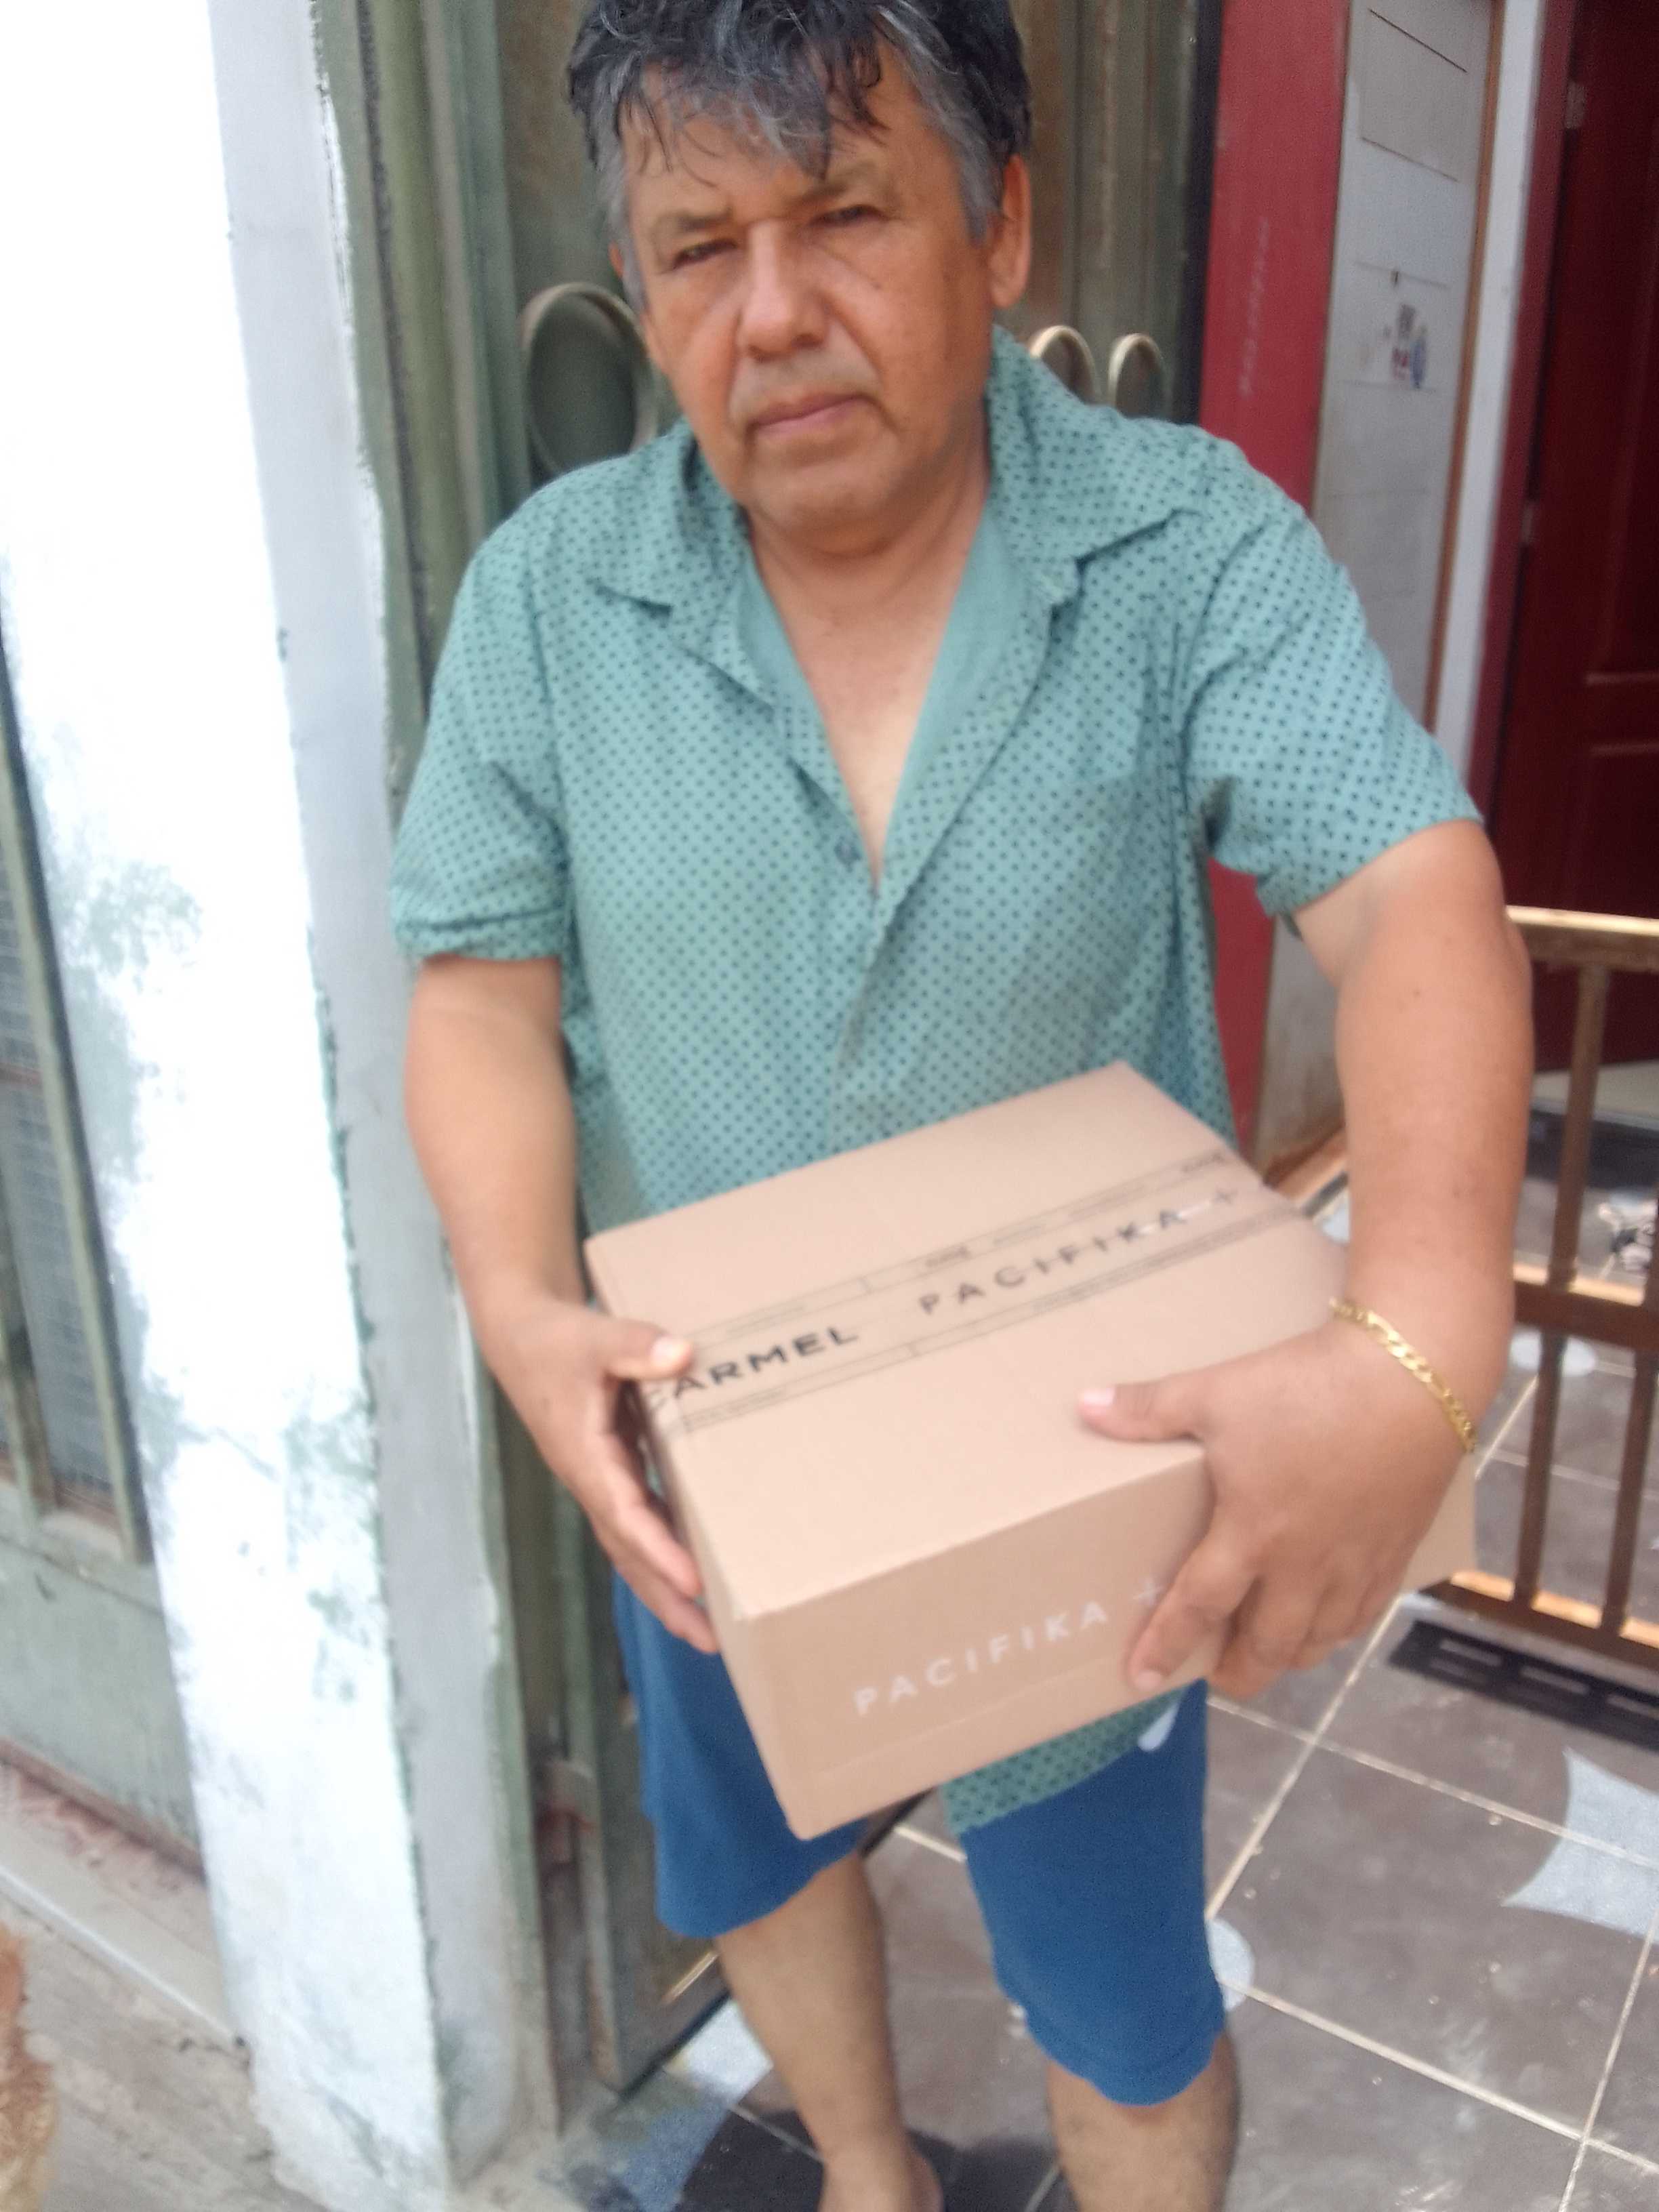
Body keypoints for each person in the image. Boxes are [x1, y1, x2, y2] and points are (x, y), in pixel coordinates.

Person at [391, 5, 1532, 2205]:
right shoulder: (549, 602)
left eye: (844, 213)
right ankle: (867, 2173)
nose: (772, 313)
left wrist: (1416, 1336)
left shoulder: (1184, 548)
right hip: (708, 1447)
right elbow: (481, 994)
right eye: (700, 246)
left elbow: (1408, 892)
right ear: (639, 285)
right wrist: (524, 1310)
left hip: (1081, 1482)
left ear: (1001, 226)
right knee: (750, 1853)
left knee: (1123, 2002)